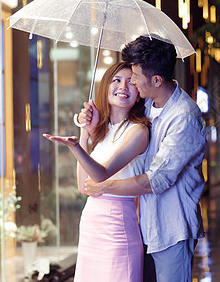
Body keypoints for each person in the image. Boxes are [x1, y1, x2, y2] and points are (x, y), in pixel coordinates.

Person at [81, 35, 207, 282]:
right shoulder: (149, 105)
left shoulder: (183, 117)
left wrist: (104, 186)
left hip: (172, 227)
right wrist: (90, 127)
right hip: (146, 226)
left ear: (157, 80)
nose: (132, 83)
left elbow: (155, 180)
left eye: (135, 77)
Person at [44, 62, 150, 282]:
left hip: (118, 229)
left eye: (131, 82)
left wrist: (74, 147)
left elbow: (101, 175)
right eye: (117, 80)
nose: (123, 86)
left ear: (139, 94)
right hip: (92, 225)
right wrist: (85, 134)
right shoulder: (102, 133)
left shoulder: (138, 131)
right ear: (105, 87)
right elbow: (84, 186)